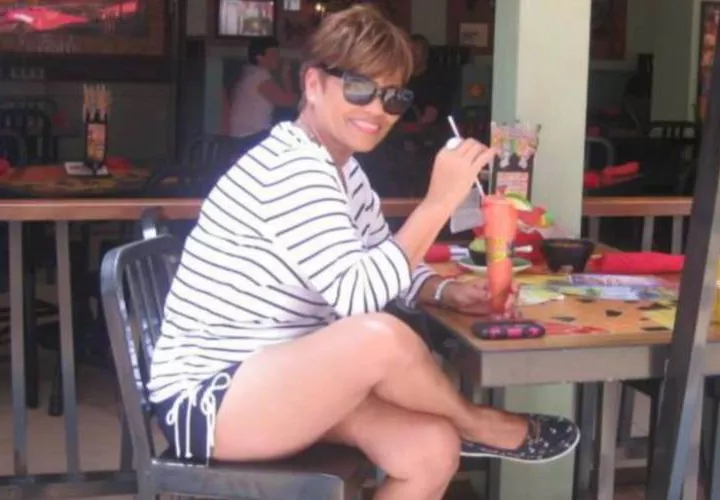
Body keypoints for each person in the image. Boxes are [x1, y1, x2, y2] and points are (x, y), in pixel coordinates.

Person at [148, 6, 580, 500]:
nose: (376, 109)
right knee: (378, 338)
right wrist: (438, 202)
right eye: (359, 88)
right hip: (210, 402)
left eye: (393, 97)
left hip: (283, 379)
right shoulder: (291, 169)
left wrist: (445, 291)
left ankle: (463, 428)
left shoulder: (344, 172)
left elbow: (384, 260)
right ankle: (476, 422)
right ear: (313, 84)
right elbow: (360, 297)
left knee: (431, 449)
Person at [228, 37, 297, 138]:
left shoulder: (251, 73)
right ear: (259, 57)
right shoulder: (259, 76)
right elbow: (289, 102)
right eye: (273, 54)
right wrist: (286, 77)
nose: (277, 58)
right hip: (251, 136)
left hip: (244, 135)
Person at [403, 33, 445, 125]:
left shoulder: (437, 80)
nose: (413, 54)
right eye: (410, 50)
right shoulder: (399, 78)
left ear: (426, 54)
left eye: (417, 50)